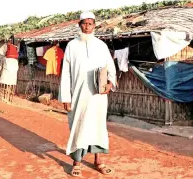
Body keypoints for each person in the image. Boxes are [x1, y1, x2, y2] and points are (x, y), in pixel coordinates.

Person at [58, 11, 116, 177]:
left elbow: (110, 68)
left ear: (94, 25)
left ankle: (98, 161)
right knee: (78, 125)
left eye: (90, 23)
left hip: (98, 96)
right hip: (78, 95)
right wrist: (66, 97)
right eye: (84, 23)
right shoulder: (72, 46)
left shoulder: (101, 46)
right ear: (79, 25)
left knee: (98, 126)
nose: (87, 26)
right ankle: (77, 162)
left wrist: (110, 83)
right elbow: (66, 73)